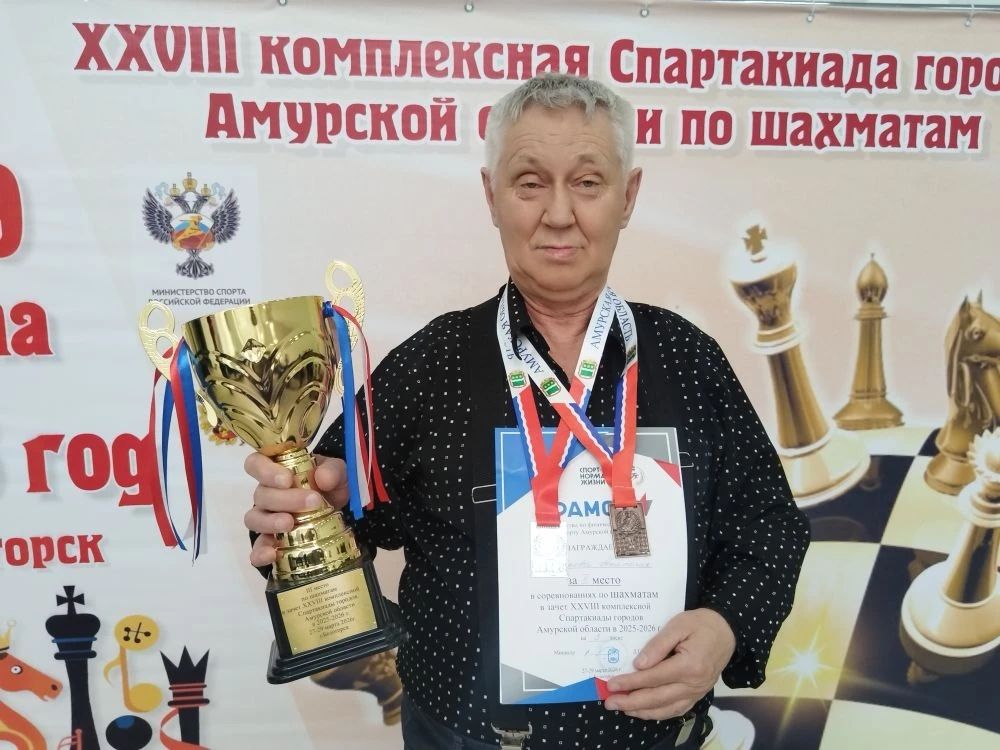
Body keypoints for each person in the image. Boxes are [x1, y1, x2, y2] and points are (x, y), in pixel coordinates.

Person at [244, 73, 810, 749]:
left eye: (589, 182)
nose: (559, 213)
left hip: (656, 737)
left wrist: (725, 628)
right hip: (465, 738)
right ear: (492, 196)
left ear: (628, 196)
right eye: (530, 182)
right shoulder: (430, 366)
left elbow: (768, 526)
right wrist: (306, 510)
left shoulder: (687, 360)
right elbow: (333, 518)